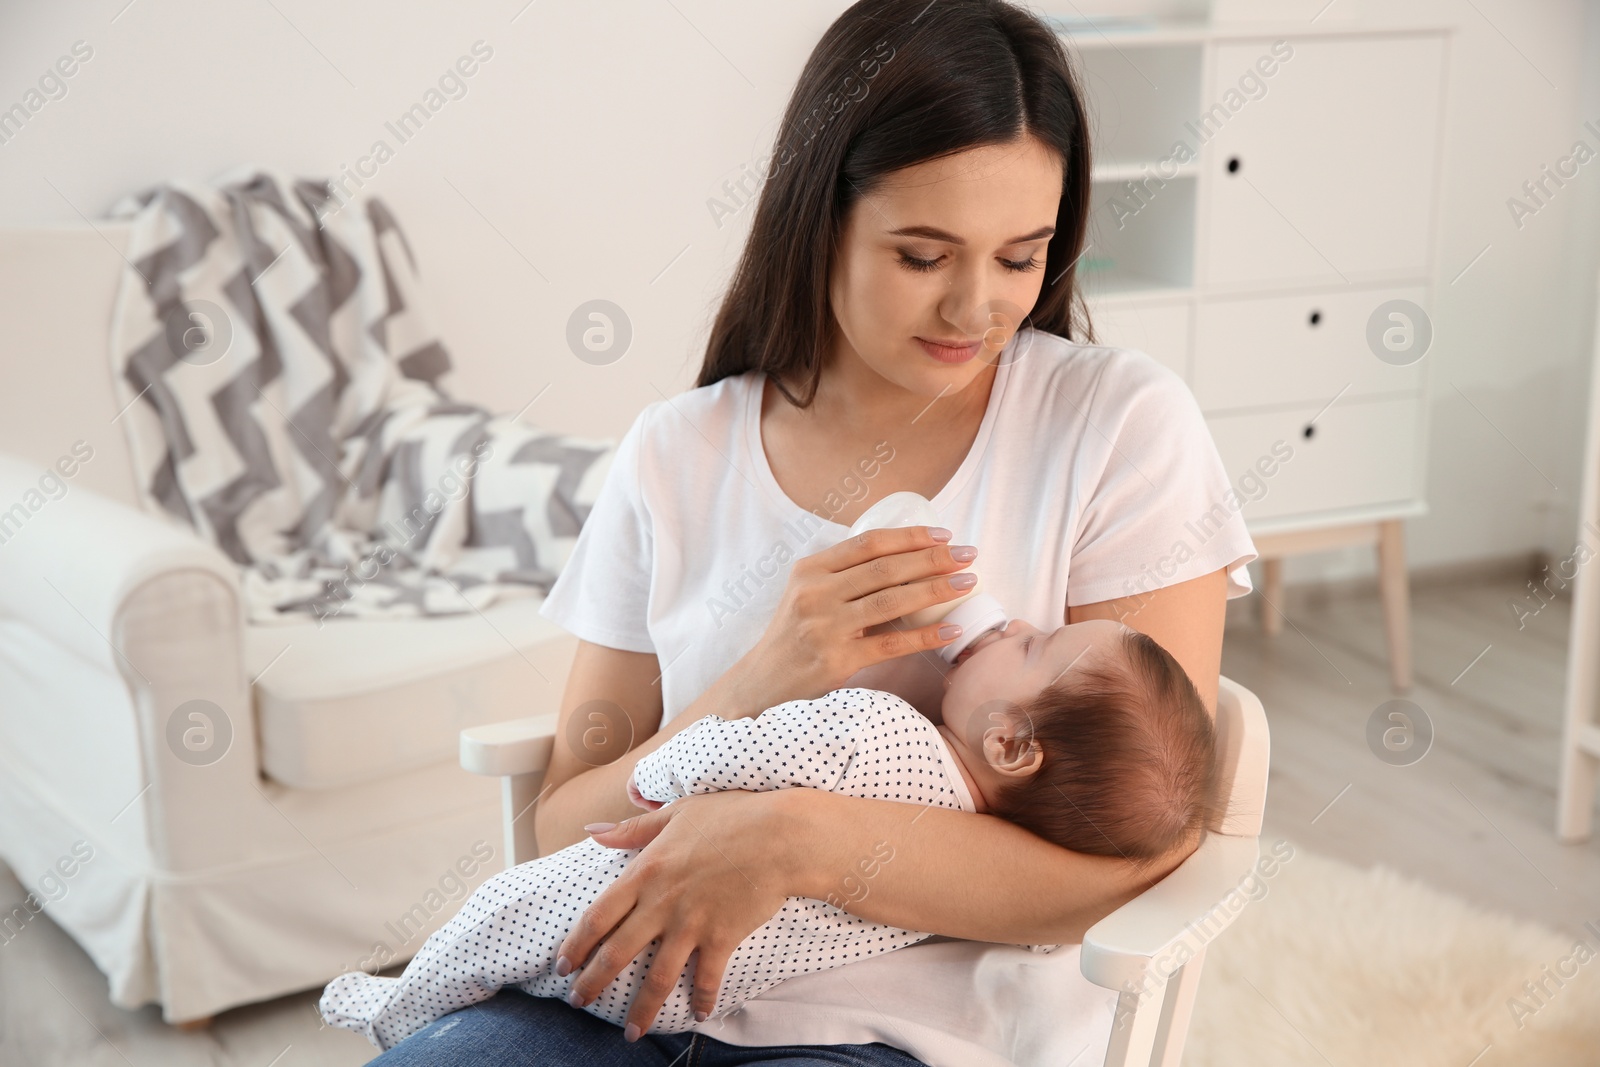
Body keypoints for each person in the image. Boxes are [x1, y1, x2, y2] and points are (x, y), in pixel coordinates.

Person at [365, 0, 1258, 1063]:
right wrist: (756, 681)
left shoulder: (1115, 427)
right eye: (922, 255)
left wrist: (799, 841)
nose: (976, 310)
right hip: (614, 992)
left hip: (907, 1033)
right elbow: (567, 823)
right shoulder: (676, 452)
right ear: (816, 216)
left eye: (1020, 257)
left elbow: (1139, 854)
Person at [322, 617, 1220, 1051]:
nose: (1019, 623)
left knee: (498, 924)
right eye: (919, 254)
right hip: (679, 990)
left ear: (1014, 741)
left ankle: (400, 1000)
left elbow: (725, 755)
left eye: (1038, 645)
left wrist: (674, 780)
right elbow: (562, 809)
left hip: (718, 993)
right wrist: (769, 664)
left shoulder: (879, 729)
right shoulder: (969, 819)